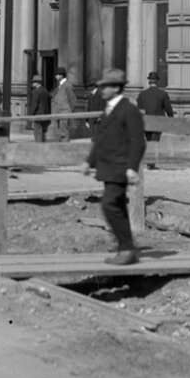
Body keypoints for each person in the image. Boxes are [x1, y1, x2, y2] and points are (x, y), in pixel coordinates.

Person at [82, 68, 146, 265]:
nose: (101, 89)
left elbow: (138, 141)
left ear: (116, 88)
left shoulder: (129, 109)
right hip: (108, 167)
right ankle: (126, 248)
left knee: (109, 205)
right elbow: (100, 140)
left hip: (120, 167)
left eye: (105, 86)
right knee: (116, 205)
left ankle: (127, 247)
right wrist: (89, 161)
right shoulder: (109, 109)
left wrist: (132, 167)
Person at [136, 71, 174, 142]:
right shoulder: (163, 94)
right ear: (157, 81)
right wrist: (171, 119)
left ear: (149, 81)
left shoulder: (142, 94)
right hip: (158, 122)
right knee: (155, 141)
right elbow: (168, 109)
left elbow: (139, 111)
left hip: (146, 121)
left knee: (149, 140)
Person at [50, 66, 77, 141]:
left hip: (64, 112)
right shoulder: (60, 85)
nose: (55, 76)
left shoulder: (67, 85)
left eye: (57, 74)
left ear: (61, 75)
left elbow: (73, 99)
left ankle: (65, 148)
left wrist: (68, 111)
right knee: (60, 132)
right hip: (59, 112)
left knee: (64, 132)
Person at [26, 74, 52, 142]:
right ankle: (44, 149)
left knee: (37, 133)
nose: (32, 83)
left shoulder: (36, 92)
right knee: (43, 134)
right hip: (45, 115)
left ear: (37, 83)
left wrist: (30, 116)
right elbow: (49, 104)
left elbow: (34, 105)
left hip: (38, 115)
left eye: (33, 82)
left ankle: (39, 149)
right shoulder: (46, 91)